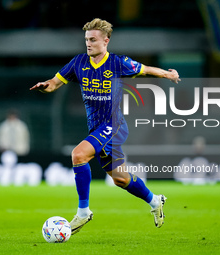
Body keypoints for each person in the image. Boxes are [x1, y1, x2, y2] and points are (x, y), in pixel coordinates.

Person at [30, 18, 180, 235]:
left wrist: (168, 74)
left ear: (105, 41)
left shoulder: (118, 63)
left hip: (114, 125)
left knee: (78, 155)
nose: (88, 44)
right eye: (86, 40)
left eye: (92, 39)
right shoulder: (78, 62)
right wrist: (46, 86)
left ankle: (83, 212)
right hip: (97, 128)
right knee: (120, 179)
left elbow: (146, 70)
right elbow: (54, 83)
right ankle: (156, 201)